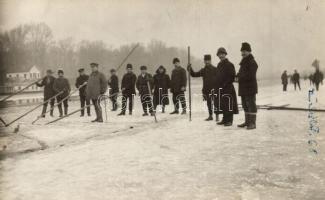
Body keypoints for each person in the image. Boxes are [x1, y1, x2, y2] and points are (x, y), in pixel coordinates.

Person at [187, 54, 218, 121]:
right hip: (206, 89)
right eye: (205, 60)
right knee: (209, 103)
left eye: (208, 60)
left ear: (210, 61)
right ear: (204, 61)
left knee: (216, 103)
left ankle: (217, 115)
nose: (207, 62)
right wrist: (190, 69)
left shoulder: (215, 69)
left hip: (214, 89)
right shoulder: (203, 70)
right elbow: (194, 74)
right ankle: (210, 116)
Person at [215, 47, 239, 126]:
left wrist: (225, 84)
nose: (221, 56)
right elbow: (217, 76)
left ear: (225, 54)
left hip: (228, 88)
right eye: (219, 54)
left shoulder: (230, 64)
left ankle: (229, 120)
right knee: (223, 104)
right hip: (221, 88)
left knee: (229, 104)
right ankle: (225, 119)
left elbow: (232, 77)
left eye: (222, 54)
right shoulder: (219, 65)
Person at [237, 42, 258, 130]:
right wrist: (236, 76)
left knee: (251, 105)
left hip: (250, 88)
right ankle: (247, 122)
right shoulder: (243, 62)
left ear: (249, 51)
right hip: (243, 87)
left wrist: (240, 78)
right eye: (242, 51)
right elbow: (241, 73)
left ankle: (252, 123)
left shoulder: (252, 62)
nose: (243, 53)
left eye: (245, 51)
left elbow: (250, 75)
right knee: (245, 105)